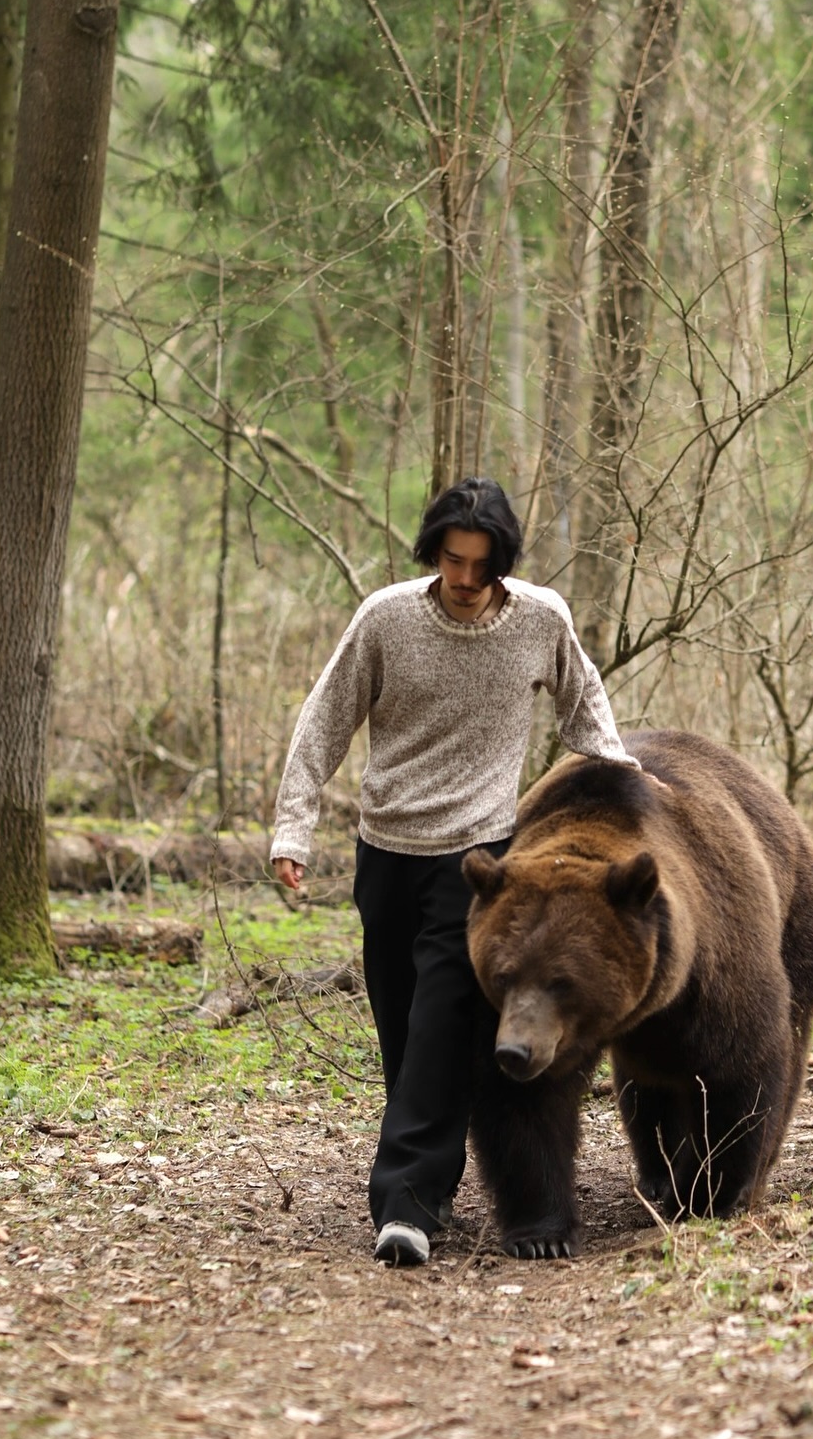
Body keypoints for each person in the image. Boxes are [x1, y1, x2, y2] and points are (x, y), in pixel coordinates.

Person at [269, 476, 642, 1267]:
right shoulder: (388, 618)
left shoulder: (542, 619)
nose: (465, 580)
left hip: (477, 861)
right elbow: (324, 719)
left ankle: (404, 1204)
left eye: (481, 565)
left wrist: (635, 779)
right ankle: (432, 1183)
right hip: (385, 851)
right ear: (433, 553)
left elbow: (585, 707)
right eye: (451, 561)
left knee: (442, 1021)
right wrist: (291, 829)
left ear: (503, 564)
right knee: (404, 1032)